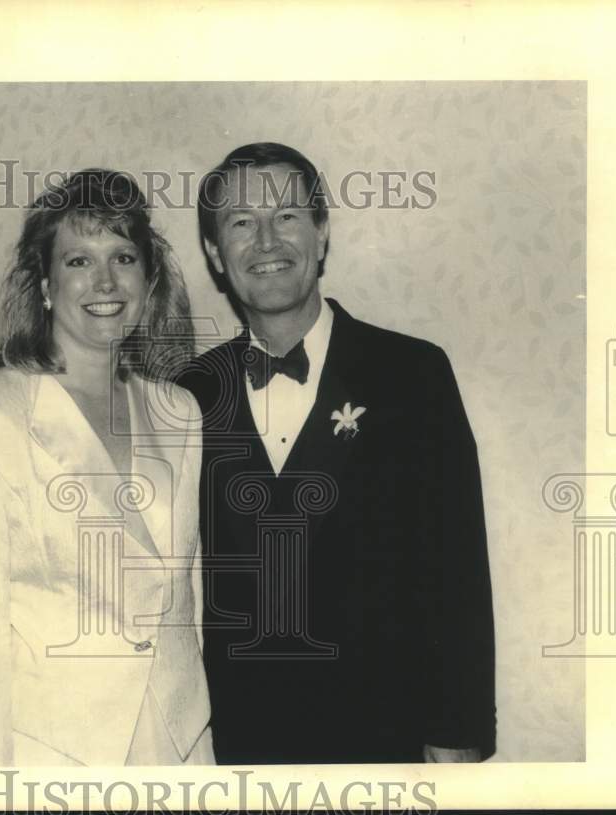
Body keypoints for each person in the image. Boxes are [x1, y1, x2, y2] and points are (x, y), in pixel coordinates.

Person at [178, 143, 496, 764]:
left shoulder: (412, 373)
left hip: (390, 738)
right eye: (241, 223)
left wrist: (457, 732)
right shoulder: (190, 394)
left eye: (288, 217)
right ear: (217, 254)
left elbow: (458, 567)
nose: (267, 241)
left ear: (321, 234)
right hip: (241, 747)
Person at [0, 169, 213, 766]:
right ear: (47, 286)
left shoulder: (178, 411)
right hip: (57, 755)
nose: (105, 281)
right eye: (79, 260)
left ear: (149, 280)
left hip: (180, 741)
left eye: (124, 257)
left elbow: (186, 594)